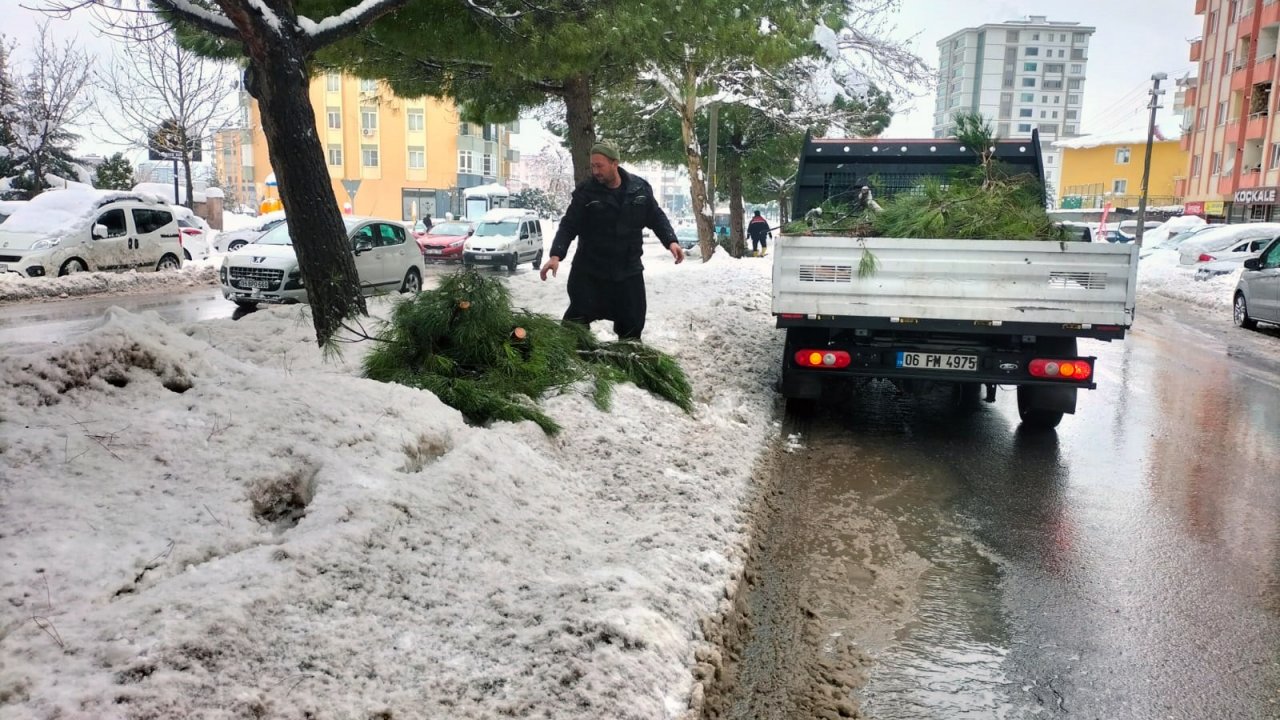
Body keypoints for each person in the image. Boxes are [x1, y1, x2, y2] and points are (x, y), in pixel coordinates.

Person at [540, 141, 684, 340]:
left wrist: (671, 241)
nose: (595, 171)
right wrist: (556, 255)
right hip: (590, 271)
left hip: (628, 271)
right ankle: (575, 363)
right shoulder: (586, 193)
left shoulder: (639, 189)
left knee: (632, 326)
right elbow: (568, 225)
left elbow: (656, 216)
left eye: (600, 166)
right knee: (574, 327)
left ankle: (627, 364)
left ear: (615, 163)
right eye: (593, 166)